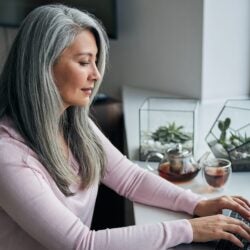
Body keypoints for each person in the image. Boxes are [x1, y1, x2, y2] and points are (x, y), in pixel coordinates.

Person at [0, 4, 249, 250]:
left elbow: (131, 179)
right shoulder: (8, 155)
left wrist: (197, 204)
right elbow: (81, 244)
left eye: (96, 61)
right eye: (84, 62)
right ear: (43, 66)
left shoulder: (73, 122)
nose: (96, 74)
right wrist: (189, 229)